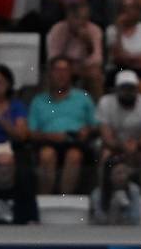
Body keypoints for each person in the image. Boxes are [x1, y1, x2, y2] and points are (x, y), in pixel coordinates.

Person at [28, 56, 97, 194]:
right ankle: (44, 202)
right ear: (49, 74)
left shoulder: (83, 97)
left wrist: (88, 130)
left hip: (77, 143)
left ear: (71, 74)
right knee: (47, 155)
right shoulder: (38, 100)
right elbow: (30, 132)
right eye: (57, 70)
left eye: (65, 70)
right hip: (47, 142)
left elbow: (96, 125)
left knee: (74, 155)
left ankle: (64, 202)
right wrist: (52, 136)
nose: (61, 74)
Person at [97, 70, 141, 195]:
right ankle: (103, 196)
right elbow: (107, 137)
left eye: (131, 88)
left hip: (139, 148)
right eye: (124, 88)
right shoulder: (105, 103)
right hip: (115, 147)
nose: (128, 92)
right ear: (116, 90)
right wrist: (122, 146)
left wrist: (135, 145)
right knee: (105, 155)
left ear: (137, 89)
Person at [46, 2, 104, 100]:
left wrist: (88, 44)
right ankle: (52, 107)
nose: (81, 22)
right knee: (54, 73)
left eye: (85, 18)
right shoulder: (57, 30)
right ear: (68, 17)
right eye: (77, 18)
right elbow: (53, 59)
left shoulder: (94, 30)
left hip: (84, 68)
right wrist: (67, 39)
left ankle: (96, 109)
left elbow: (97, 60)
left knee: (95, 74)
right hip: (63, 67)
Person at [0, 152, 39, 225]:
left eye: (8, 165)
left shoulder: (26, 193)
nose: (4, 170)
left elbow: (33, 222)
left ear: (14, 168)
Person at [90, 154, 141, 225]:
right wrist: (113, 208)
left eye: (125, 172)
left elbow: (136, 219)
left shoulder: (134, 190)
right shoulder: (97, 194)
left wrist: (126, 206)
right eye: (119, 173)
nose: (123, 177)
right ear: (109, 176)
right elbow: (97, 220)